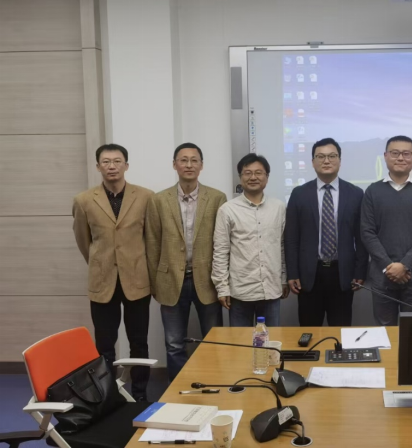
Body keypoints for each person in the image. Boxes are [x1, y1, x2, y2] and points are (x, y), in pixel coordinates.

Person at [72, 144, 153, 401]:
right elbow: (84, 241)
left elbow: (151, 238)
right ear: (98, 166)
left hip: (136, 280)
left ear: (126, 165)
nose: (112, 166)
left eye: (117, 161)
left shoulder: (146, 197)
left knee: (139, 342)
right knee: (104, 344)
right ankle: (108, 397)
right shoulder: (84, 200)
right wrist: (100, 262)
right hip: (102, 280)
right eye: (106, 162)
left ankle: (139, 395)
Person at [145, 143, 227, 382]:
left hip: (207, 280)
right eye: (183, 160)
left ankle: (215, 386)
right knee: (174, 344)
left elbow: (223, 243)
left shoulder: (217, 198)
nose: (189, 165)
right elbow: (152, 243)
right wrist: (155, 282)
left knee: (214, 340)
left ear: (201, 165)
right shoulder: (158, 200)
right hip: (171, 280)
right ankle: (178, 392)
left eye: (194, 160)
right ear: (174, 165)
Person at [285, 138, 368, 326]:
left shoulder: (355, 194)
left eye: (332, 156)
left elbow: (361, 237)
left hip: (343, 273)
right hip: (309, 273)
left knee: (340, 330)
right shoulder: (299, 194)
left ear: (340, 160)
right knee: (309, 331)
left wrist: (360, 270)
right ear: (313, 162)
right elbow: (291, 238)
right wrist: (292, 273)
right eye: (320, 156)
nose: (326, 161)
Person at [361, 136, 412, 326]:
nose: (400, 158)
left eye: (406, 154)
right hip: (382, 274)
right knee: (384, 331)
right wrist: (389, 266)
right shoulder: (372, 191)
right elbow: (367, 232)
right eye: (395, 153)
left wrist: (405, 265)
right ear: (386, 156)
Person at [212, 153, 289, 326]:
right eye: (247, 173)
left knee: (270, 341)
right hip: (240, 292)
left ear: (267, 177)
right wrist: (222, 288)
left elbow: (282, 247)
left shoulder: (279, 208)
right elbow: (221, 251)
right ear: (240, 177)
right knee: (240, 341)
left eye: (258, 173)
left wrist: (284, 279)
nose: (253, 177)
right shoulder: (227, 210)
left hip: (271, 289)